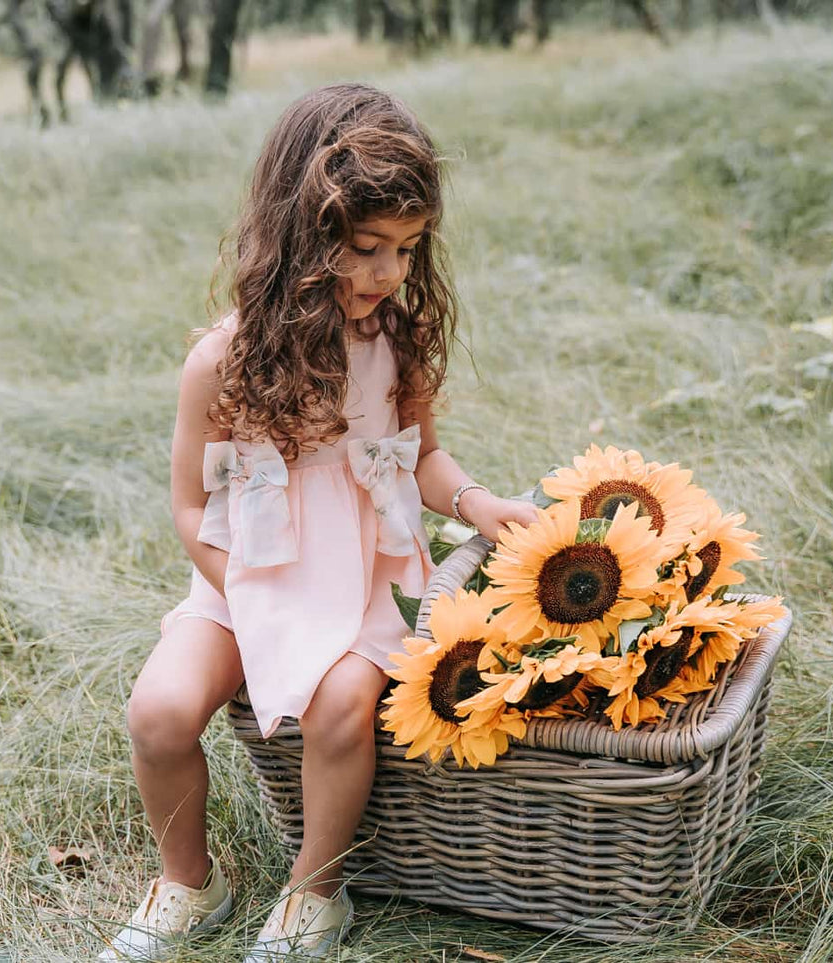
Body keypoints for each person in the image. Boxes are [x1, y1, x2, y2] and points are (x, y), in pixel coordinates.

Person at [98, 82, 538, 962]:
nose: (388, 273)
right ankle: (189, 880)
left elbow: (419, 458)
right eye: (367, 246)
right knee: (158, 710)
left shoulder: (393, 341)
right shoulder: (219, 361)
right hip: (246, 577)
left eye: (407, 250)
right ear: (301, 235)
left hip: (367, 579)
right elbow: (190, 505)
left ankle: (315, 888)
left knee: (341, 706)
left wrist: (477, 503)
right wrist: (253, 596)